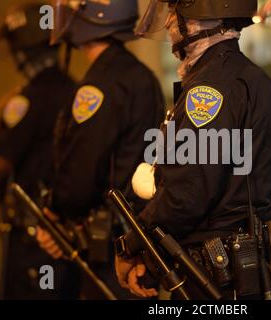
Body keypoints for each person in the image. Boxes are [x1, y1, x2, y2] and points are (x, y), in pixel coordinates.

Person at [115, 0, 271, 300]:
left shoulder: (207, 90)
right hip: (236, 269)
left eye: (176, 12)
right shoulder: (249, 76)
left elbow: (187, 194)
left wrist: (132, 245)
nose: (169, 23)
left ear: (200, 18)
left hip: (211, 275)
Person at [35, 0, 165, 299]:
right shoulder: (141, 75)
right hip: (141, 235)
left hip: (110, 244)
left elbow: (82, 167)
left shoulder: (99, 85)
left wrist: (53, 212)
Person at [0, 2, 79, 299]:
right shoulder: (75, 90)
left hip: (34, 242)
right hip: (65, 236)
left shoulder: (28, 100)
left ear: (21, 51)